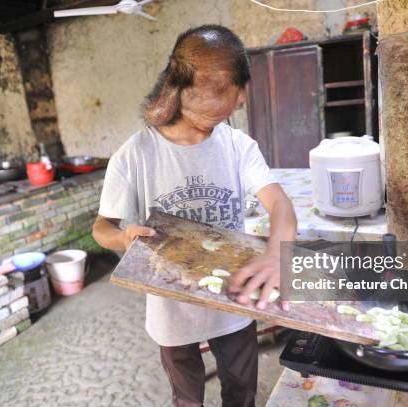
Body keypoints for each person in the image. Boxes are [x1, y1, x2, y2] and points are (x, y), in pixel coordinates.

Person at [92, 24, 297, 407]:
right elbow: (102, 228)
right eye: (233, 95)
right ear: (204, 86)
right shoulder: (136, 154)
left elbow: (280, 205)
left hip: (234, 303)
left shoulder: (238, 146)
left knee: (241, 391)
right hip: (173, 313)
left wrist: (275, 254)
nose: (238, 105)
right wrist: (122, 239)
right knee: (187, 397)